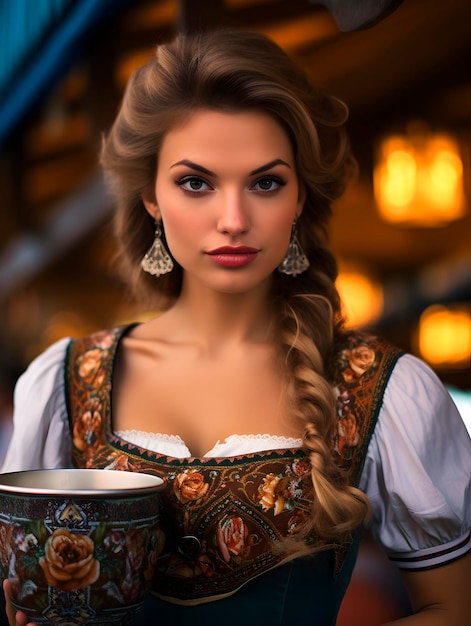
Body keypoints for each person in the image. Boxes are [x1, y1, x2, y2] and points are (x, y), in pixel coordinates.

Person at [1, 29, 470, 626]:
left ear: (299, 196)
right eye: (195, 182)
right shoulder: (65, 382)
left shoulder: (384, 389)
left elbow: (455, 609)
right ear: (150, 195)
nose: (233, 220)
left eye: (265, 182)